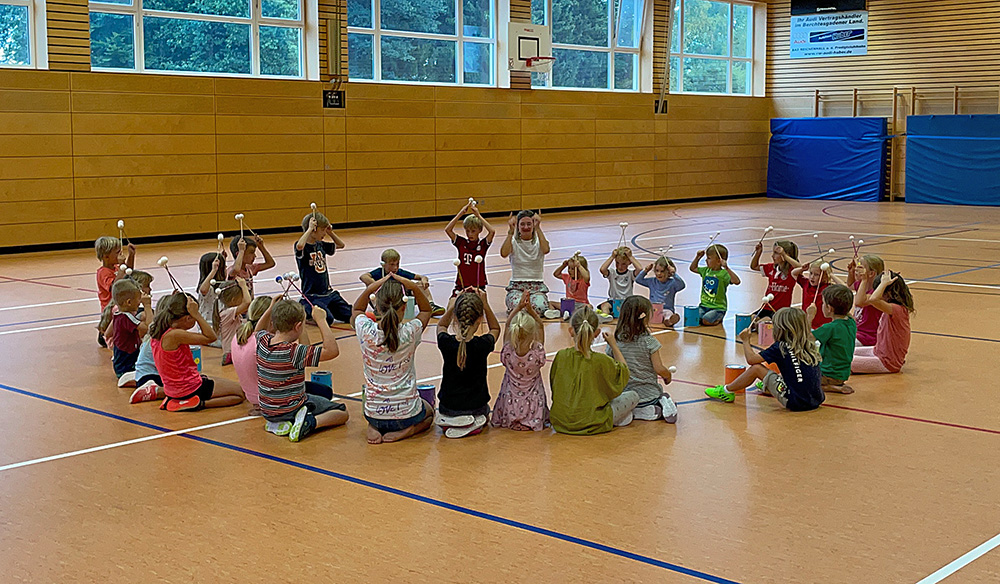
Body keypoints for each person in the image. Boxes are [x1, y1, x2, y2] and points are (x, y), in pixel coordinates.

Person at [352, 273, 435, 444]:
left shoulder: (365, 329)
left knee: (378, 416)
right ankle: (408, 430)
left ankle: (374, 427)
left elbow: (357, 310)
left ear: (376, 306)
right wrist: (412, 286)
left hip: (373, 413)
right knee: (429, 411)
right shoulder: (410, 332)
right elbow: (427, 310)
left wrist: (370, 288)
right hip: (406, 415)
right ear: (404, 308)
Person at [256, 300, 349, 442]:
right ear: (298, 326)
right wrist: (321, 320)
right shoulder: (293, 352)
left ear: (273, 323)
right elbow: (332, 351)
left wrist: (270, 308)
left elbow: (258, 329)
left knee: (324, 392)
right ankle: (310, 422)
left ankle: (278, 424)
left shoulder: (262, 341)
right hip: (290, 408)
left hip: (268, 410)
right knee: (342, 412)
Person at [705, 307, 824, 412]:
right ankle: (766, 385)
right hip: (816, 399)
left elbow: (752, 360)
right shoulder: (808, 344)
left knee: (757, 369)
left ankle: (726, 391)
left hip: (795, 402)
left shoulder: (780, 347)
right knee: (789, 369)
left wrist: (746, 341)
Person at [150, 292, 245, 412]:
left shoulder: (161, 330)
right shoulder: (175, 335)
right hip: (188, 389)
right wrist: (197, 314)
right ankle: (198, 403)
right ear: (187, 318)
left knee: (223, 383)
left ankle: (179, 399)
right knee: (240, 394)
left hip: (174, 388)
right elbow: (211, 337)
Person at [549, 305, 636, 435]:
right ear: (597, 333)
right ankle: (618, 419)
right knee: (633, 395)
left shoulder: (561, 356)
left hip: (560, 421)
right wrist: (613, 345)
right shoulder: (601, 360)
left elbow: (554, 385)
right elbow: (623, 373)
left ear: (571, 331)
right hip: (592, 421)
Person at [435, 289, 500, 438]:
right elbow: (495, 328)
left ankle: (450, 422)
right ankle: (473, 424)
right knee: (486, 413)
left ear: (455, 319)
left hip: (448, 407)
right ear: (480, 319)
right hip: (475, 408)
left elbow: (441, 326)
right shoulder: (482, 344)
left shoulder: (446, 342)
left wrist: (451, 307)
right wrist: (486, 305)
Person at [607, 296, 677, 423]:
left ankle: (634, 411)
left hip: (624, 395)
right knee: (660, 394)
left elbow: (609, 366)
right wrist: (668, 376)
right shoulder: (649, 341)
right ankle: (662, 403)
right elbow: (659, 369)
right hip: (649, 396)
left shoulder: (614, 341)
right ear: (645, 317)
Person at [491, 291, 548, 431]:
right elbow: (540, 326)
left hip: (511, 401)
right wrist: (531, 311)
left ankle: (511, 419)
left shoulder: (508, 351)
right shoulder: (537, 352)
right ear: (532, 332)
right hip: (533, 404)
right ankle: (531, 420)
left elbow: (507, 325)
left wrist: (517, 308)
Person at [851, 269, 913, 374]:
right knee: (841, 351)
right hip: (877, 351)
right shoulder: (890, 308)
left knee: (840, 361)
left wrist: (884, 283)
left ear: (888, 293)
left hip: (887, 362)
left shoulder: (898, 309)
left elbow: (873, 300)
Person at [500, 209, 557, 318]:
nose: (526, 227)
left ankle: (546, 306)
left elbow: (546, 250)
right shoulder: (513, 242)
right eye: (522, 224)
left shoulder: (539, 241)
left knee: (539, 307)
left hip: (536, 286)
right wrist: (510, 232)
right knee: (516, 305)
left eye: (529, 224)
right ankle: (545, 308)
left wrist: (538, 228)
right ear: (517, 226)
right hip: (516, 286)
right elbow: (503, 253)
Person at [361, 248, 444, 316]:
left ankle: (431, 305)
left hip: (399, 301)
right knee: (370, 288)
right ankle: (377, 310)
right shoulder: (379, 272)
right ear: (383, 264)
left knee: (420, 285)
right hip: (383, 301)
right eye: (392, 264)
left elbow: (421, 277)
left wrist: (424, 279)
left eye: (397, 264)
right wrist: (378, 284)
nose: (395, 267)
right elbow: (363, 277)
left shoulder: (400, 273)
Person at [807, 284, 857, 394]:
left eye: (823, 303)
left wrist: (809, 317)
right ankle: (834, 385)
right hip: (842, 374)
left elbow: (807, 338)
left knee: (799, 380)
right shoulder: (850, 321)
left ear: (829, 308)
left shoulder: (830, 328)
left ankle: (833, 388)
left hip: (828, 374)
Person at [445, 200, 495, 294]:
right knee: (452, 306)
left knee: (481, 306)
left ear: (479, 230)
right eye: (467, 231)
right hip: (462, 285)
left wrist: (478, 215)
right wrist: (461, 213)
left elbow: (492, 231)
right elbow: (448, 230)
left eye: (473, 231)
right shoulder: (461, 242)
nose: (469, 234)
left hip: (478, 286)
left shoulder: (483, 245)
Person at [109, 279, 152, 389]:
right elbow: (150, 328)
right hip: (126, 366)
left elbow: (108, 332)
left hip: (123, 363)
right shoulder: (126, 317)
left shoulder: (119, 315)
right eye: (138, 299)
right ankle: (131, 379)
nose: (140, 302)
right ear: (128, 302)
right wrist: (147, 305)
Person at [94, 236, 134, 347]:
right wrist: (121, 266)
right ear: (106, 257)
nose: (121, 254)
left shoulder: (117, 268)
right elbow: (116, 287)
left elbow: (128, 273)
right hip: (110, 310)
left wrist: (131, 255)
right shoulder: (103, 272)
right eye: (117, 252)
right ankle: (104, 335)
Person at [689, 243, 740, 326]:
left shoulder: (724, 274)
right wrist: (697, 257)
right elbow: (692, 268)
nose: (706, 260)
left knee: (706, 321)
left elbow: (737, 281)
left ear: (719, 261)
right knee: (694, 318)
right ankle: (708, 318)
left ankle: (719, 318)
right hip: (704, 306)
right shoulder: (706, 271)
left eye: (709, 258)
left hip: (718, 308)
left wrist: (726, 268)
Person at [750, 240, 800, 322]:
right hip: (766, 307)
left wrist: (784, 255)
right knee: (752, 319)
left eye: (776, 253)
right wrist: (758, 252)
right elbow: (754, 266)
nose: (772, 256)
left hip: (780, 311)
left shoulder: (792, 271)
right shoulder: (771, 268)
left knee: (763, 323)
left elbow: (799, 267)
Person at [635, 255, 686, 327]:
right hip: (653, 309)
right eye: (657, 271)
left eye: (662, 271)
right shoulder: (652, 281)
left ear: (669, 272)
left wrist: (674, 274)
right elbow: (638, 280)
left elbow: (682, 285)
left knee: (668, 314)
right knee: (644, 312)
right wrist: (645, 271)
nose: (659, 273)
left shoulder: (673, 283)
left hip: (666, 309)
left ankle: (668, 321)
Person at [847, 254, 885, 347]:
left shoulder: (877, 293)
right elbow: (850, 285)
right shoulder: (861, 285)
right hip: (857, 332)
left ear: (871, 273)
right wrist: (851, 272)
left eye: (860, 267)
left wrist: (864, 280)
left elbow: (859, 302)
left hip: (868, 337)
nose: (857, 269)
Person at [597, 246, 643, 320]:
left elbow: (640, 269)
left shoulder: (630, 274)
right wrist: (612, 257)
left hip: (627, 301)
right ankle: (606, 316)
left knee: (635, 308)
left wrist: (630, 256)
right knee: (604, 306)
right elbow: (602, 269)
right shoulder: (612, 273)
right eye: (617, 263)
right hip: (614, 300)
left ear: (629, 263)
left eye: (623, 264)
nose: (620, 266)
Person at [196, 251, 227, 348]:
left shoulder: (220, 286)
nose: (226, 269)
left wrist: (223, 258)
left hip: (219, 328)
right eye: (224, 267)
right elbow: (203, 289)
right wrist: (213, 271)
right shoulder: (208, 288)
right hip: (209, 330)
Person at [218, 278, 251, 366]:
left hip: (235, 350)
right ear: (233, 300)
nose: (243, 299)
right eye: (241, 298)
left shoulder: (233, 313)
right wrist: (243, 286)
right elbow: (247, 302)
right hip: (231, 352)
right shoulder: (227, 313)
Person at [552, 252, 592, 318]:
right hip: (568, 304)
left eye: (572, 269)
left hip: (580, 304)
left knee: (589, 307)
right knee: (551, 303)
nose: (569, 271)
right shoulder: (567, 277)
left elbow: (587, 276)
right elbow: (556, 274)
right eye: (569, 268)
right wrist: (563, 265)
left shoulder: (583, 280)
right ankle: (556, 313)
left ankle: (571, 314)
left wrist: (579, 266)